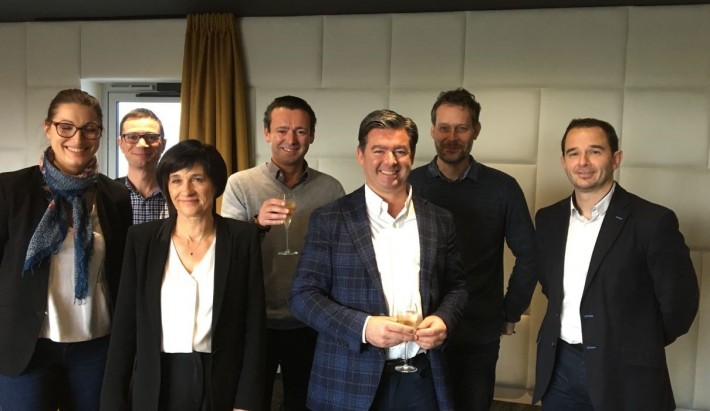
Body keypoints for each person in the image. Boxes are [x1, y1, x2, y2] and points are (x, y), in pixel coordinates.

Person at [289, 109, 468, 411]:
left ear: (412, 156)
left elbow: (458, 287)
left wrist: (444, 320)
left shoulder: (439, 220)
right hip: (347, 378)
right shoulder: (330, 219)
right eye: (379, 150)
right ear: (361, 155)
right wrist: (363, 327)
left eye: (400, 151)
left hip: (421, 378)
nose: (390, 160)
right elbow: (302, 297)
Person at [533, 118, 699, 411]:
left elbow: (680, 303)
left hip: (626, 371)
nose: (583, 162)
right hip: (560, 368)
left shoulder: (653, 221)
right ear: (563, 162)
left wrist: (638, 343)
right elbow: (551, 286)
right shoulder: (548, 219)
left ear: (616, 159)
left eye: (595, 151)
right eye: (573, 153)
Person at [101, 140, 266, 411]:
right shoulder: (142, 239)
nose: (186, 190)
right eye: (176, 180)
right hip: (157, 378)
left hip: (220, 379)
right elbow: (125, 326)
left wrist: (246, 401)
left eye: (197, 179)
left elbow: (254, 325)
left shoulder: (242, 238)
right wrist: (113, 402)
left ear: (215, 184)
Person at [0, 88, 132, 410]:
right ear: (48, 128)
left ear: (100, 133)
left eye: (90, 129)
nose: (78, 138)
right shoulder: (10, 190)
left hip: (96, 346)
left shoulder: (115, 195)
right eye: (66, 127)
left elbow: (120, 273)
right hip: (25, 345)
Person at [408, 88, 537, 410]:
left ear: (476, 130)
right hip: (417, 329)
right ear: (432, 130)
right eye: (444, 128)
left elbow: (531, 254)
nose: (451, 137)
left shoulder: (503, 188)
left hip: (478, 330)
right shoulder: (409, 185)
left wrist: (510, 311)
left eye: (461, 128)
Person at [221, 95, 344, 410]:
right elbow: (226, 252)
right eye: (282, 130)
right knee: (252, 402)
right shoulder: (240, 184)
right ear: (267, 133)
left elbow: (341, 254)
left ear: (311, 136)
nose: (291, 139)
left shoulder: (330, 189)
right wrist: (256, 224)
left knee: (305, 403)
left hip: (310, 321)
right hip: (255, 321)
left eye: (300, 131)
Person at [116, 108, 169, 224]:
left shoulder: (179, 196)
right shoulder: (107, 195)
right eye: (132, 137)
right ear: (120, 144)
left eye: (151, 137)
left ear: (163, 144)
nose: (142, 144)